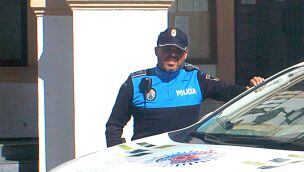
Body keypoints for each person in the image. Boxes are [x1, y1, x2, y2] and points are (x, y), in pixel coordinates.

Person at [105, 28, 264, 147]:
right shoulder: (135, 82)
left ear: (186, 54)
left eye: (178, 51)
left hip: (184, 159)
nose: (172, 55)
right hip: (146, 159)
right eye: (167, 50)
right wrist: (121, 155)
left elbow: (228, 92)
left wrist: (250, 89)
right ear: (157, 51)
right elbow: (114, 126)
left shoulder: (195, 78)